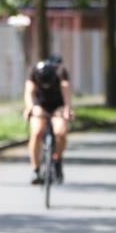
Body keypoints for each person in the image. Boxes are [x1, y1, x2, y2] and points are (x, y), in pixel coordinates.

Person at [24, 55, 73, 184]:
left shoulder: (60, 72)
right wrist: (29, 108)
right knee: (36, 132)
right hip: (41, 104)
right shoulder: (34, 71)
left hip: (58, 105)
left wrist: (67, 109)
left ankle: (57, 158)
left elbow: (66, 91)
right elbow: (29, 91)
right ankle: (36, 169)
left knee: (60, 132)